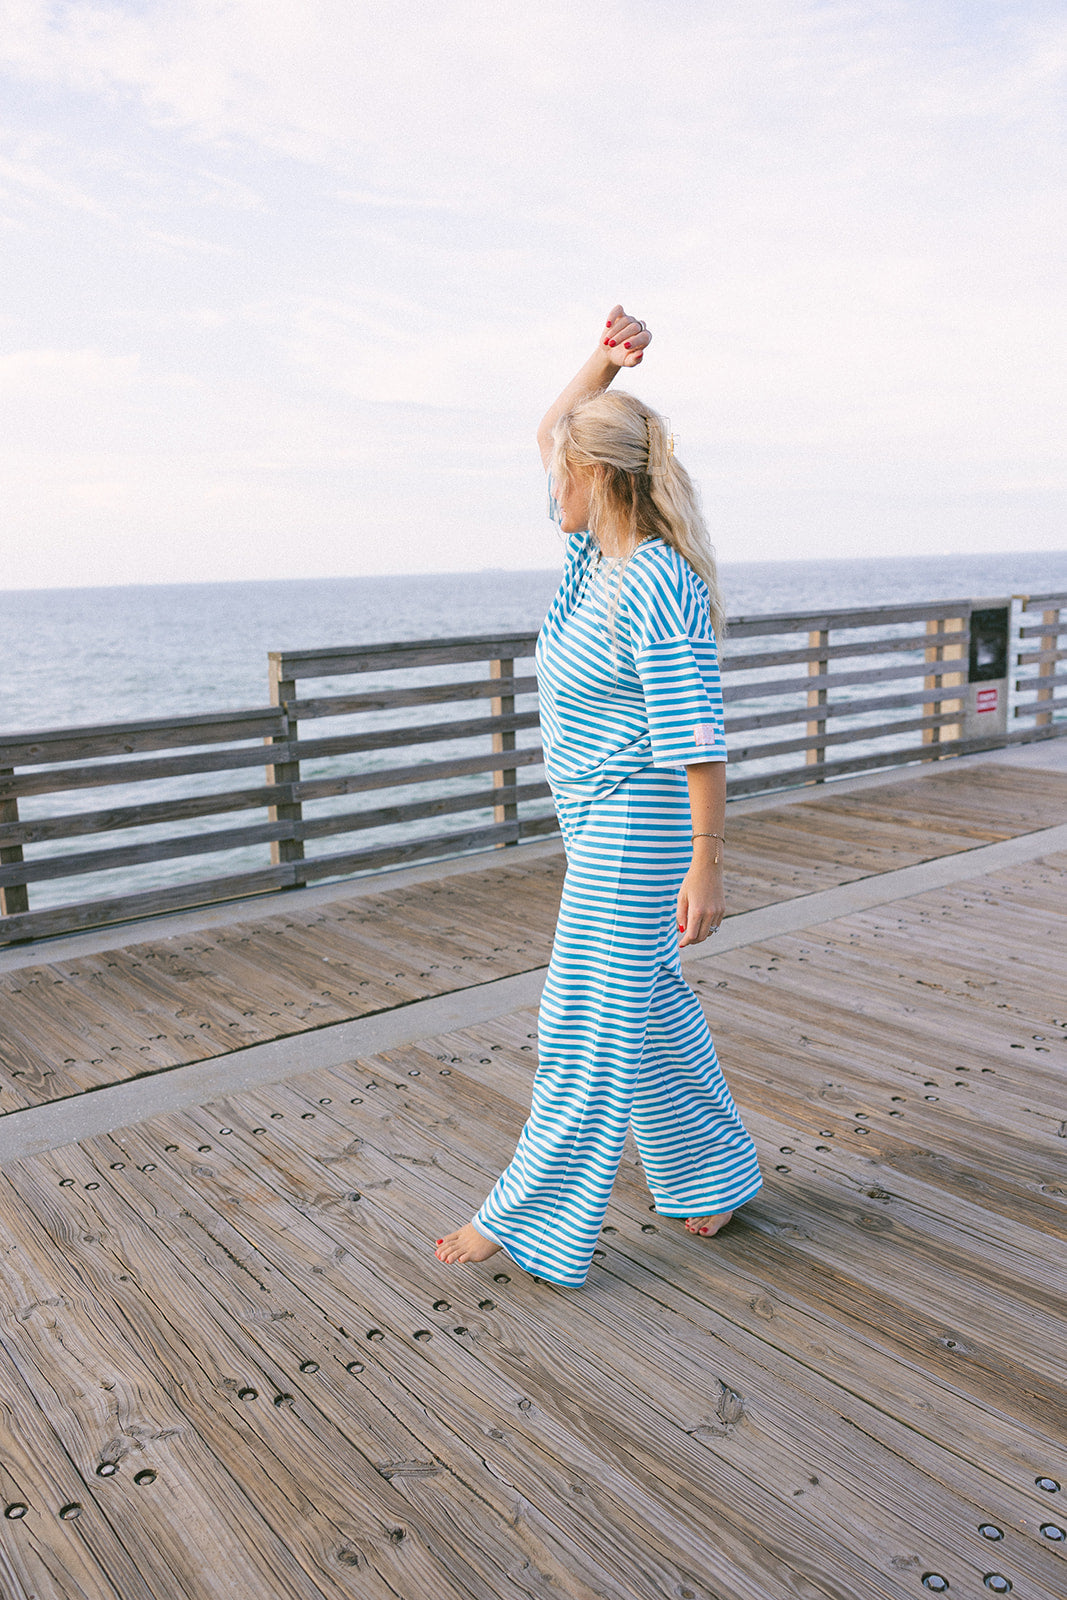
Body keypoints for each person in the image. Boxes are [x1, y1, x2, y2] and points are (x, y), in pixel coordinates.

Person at [435, 304, 762, 1287]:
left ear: (600, 477)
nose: (549, 482)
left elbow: (696, 737)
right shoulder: (591, 561)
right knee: (646, 1006)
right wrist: (605, 361)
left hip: (637, 825)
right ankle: (711, 1174)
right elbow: (551, 428)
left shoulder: (655, 582)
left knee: (580, 1019)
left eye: (563, 472)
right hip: (594, 822)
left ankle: (523, 1216)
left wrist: (706, 863)